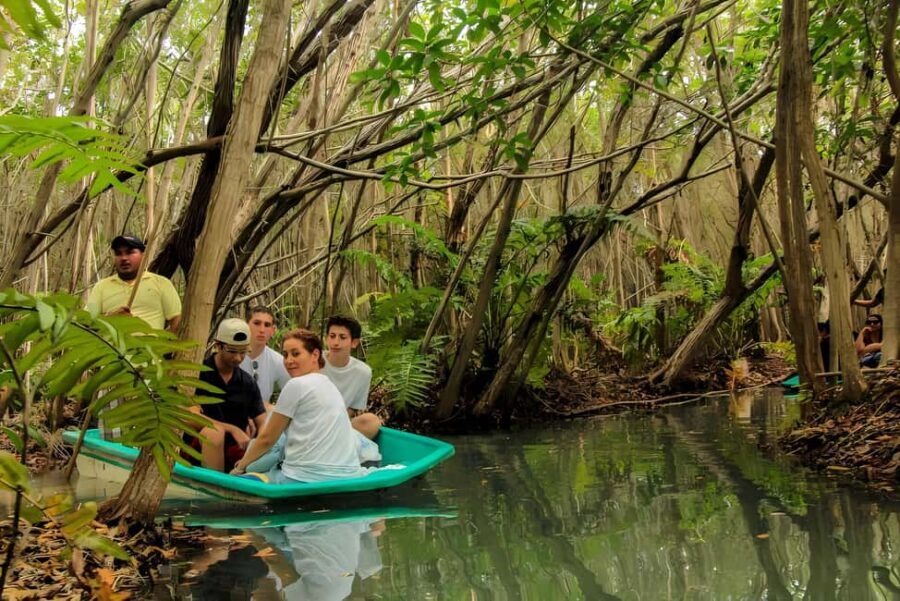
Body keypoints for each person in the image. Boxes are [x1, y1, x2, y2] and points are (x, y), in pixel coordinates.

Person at [230, 329, 366, 482]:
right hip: (348, 476)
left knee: (245, 475)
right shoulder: (329, 384)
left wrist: (240, 467)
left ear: (315, 355)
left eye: (295, 354)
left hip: (303, 478)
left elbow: (267, 439)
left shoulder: (296, 385)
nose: (288, 360)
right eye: (286, 354)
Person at [189, 318, 267, 472]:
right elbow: (190, 416)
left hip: (236, 449)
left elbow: (262, 421)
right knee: (214, 433)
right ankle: (215, 485)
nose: (238, 358)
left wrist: (258, 440)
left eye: (243, 352)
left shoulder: (247, 382)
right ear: (218, 345)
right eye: (232, 351)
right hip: (198, 447)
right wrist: (232, 429)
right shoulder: (198, 374)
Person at [86, 233, 181, 332]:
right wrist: (110, 318)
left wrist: (169, 345)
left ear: (143, 256)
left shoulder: (161, 283)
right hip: (111, 346)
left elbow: (177, 320)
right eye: (119, 253)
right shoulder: (101, 287)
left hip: (151, 346)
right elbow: (86, 322)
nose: (124, 258)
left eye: (130, 252)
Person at [322, 316, 381, 440]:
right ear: (326, 338)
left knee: (371, 421)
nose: (336, 342)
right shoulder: (314, 361)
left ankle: (336, 444)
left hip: (338, 424)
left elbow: (353, 408)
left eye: (342, 337)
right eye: (332, 336)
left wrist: (333, 422)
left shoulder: (363, 372)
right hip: (309, 421)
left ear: (354, 342)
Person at [240, 306, 291, 407]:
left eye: (267, 325)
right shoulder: (231, 356)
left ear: (273, 330)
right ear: (246, 326)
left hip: (262, 417)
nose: (262, 330)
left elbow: (294, 391)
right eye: (257, 323)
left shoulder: (278, 361)